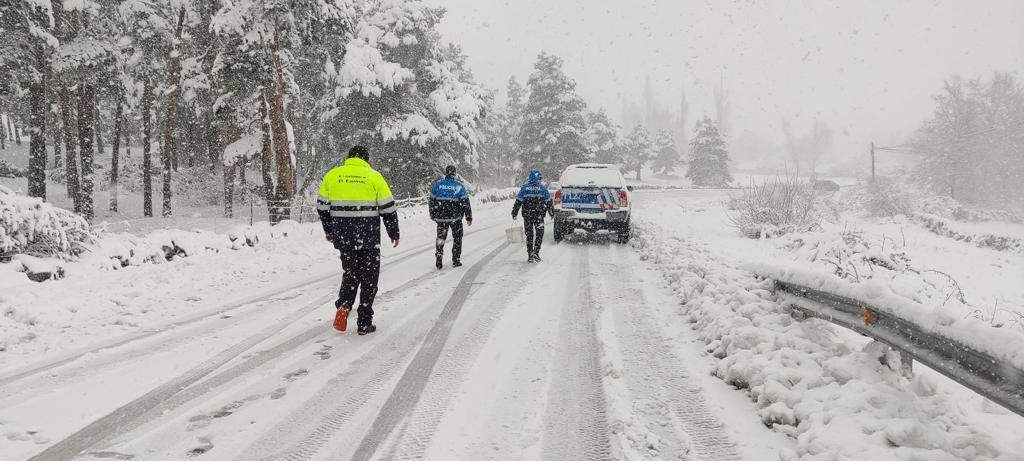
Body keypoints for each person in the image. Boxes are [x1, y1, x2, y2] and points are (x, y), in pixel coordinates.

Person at [316, 145, 400, 335]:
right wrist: (393, 232)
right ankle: (364, 321)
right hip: (368, 236)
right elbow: (388, 208)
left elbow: (322, 206)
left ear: (349, 158)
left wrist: (329, 229)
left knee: (351, 273)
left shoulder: (333, 175)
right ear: (366, 159)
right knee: (369, 277)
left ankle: (344, 306)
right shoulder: (374, 176)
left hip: (344, 235)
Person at [429, 165, 473, 269]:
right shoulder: (459, 186)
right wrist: (468, 216)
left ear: (446, 173)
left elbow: (431, 201)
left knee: (441, 238)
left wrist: (432, 214)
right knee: (457, 238)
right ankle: (456, 260)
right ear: (454, 174)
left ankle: (439, 257)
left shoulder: (438, 185)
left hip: (441, 218)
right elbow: (465, 203)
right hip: (455, 218)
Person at [511, 169, 554, 262]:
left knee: (529, 234)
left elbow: (518, 201)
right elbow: (549, 202)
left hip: (527, 215)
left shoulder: (524, 188)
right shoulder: (543, 189)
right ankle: (536, 252)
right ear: (538, 178)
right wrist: (551, 212)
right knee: (539, 234)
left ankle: (530, 253)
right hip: (539, 216)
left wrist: (514, 213)